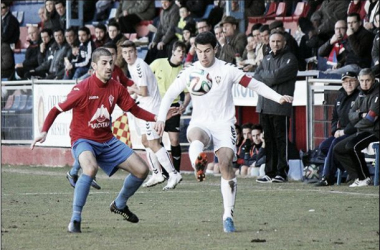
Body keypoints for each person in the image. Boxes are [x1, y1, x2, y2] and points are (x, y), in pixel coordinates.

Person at [154, 31, 293, 233]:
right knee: (195, 137)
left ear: (215, 49)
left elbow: (255, 85)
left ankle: (228, 215)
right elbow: (169, 95)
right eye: (199, 51)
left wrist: (277, 97)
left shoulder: (228, 70)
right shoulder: (190, 71)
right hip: (200, 122)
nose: (203, 56)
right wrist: (160, 118)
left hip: (224, 124)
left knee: (226, 164)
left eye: (207, 51)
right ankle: (198, 164)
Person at [31, 47, 178, 233]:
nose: (109, 67)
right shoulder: (82, 88)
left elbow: (135, 110)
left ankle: (119, 204)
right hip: (83, 140)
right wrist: (44, 131)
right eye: (104, 63)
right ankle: (75, 219)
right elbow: (56, 110)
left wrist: (158, 117)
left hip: (107, 140)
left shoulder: (116, 87)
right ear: (94, 66)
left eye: (111, 63)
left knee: (142, 171)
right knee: (90, 168)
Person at [66, 42, 135, 190]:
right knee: (89, 143)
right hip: (93, 115)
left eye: (111, 58)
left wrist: (133, 85)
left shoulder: (116, 71)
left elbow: (125, 81)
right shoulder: (94, 76)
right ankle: (80, 173)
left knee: (97, 142)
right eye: (105, 61)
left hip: (106, 112)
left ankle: (79, 173)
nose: (109, 64)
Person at [122, 40, 183, 190]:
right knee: (145, 141)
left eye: (130, 52)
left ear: (136, 52)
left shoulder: (139, 66)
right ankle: (157, 174)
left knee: (154, 143)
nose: (128, 55)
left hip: (151, 110)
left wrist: (131, 90)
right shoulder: (131, 66)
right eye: (125, 52)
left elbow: (144, 91)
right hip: (145, 107)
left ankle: (173, 174)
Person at [254, 30, 298, 184]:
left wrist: (265, 75)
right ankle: (269, 172)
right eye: (273, 41)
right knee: (269, 140)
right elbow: (255, 77)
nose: (275, 44)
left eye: (278, 41)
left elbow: (274, 77)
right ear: (269, 43)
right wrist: (267, 75)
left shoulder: (290, 59)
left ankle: (281, 172)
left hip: (280, 107)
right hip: (264, 106)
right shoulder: (265, 58)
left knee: (281, 140)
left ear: (284, 43)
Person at [333, 68, 379, 187]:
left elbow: (370, 119)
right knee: (338, 148)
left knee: (352, 146)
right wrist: (361, 114)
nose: (365, 83)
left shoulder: (377, 94)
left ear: (373, 80)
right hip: (363, 130)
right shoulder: (361, 93)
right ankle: (357, 177)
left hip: (374, 131)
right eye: (362, 80)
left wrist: (358, 120)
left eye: (368, 80)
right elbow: (350, 114)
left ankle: (364, 177)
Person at [150, 41, 191, 172]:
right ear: (173, 51)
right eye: (179, 51)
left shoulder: (183, 72)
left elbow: (188, 93)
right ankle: (165, 171)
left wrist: (184, 105)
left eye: (183, 52)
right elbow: (146, 76)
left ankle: (176, 171)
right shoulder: (158, 63)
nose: (181, 54)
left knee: (174, 139)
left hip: (173, 106)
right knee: (158, 138)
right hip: (157, 105)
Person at [315, 72, 360, 187]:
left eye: (351, 81)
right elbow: (334, 117)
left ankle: (327, 178)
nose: (348, 84)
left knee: (335, 144)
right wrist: (335, 130)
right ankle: (350, 171)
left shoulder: (360, 96)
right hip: (341, 132)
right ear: (342, 83)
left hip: (355, 132)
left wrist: (344, 132)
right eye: (345, 81)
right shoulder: (340, 96)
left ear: (357, 81)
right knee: (323, 146)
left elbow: (358, 120)